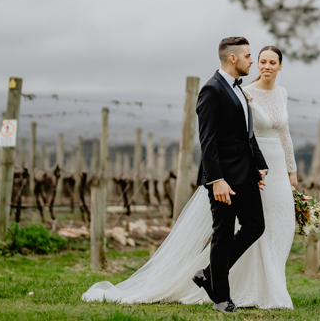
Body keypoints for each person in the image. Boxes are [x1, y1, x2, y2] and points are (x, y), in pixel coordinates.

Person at [81, 38, 297, 312]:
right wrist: (216, 180)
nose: (252, 61)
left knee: (255, 227)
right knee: (223, 233)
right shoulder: (211, 90)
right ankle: (221, 298)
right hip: (223, 179)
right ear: (232, 58)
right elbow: (207, 141)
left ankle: (208, 274)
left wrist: (259, 164)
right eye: (248, 56)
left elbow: (247, 134)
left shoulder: (240, 91)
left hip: (246, 175)